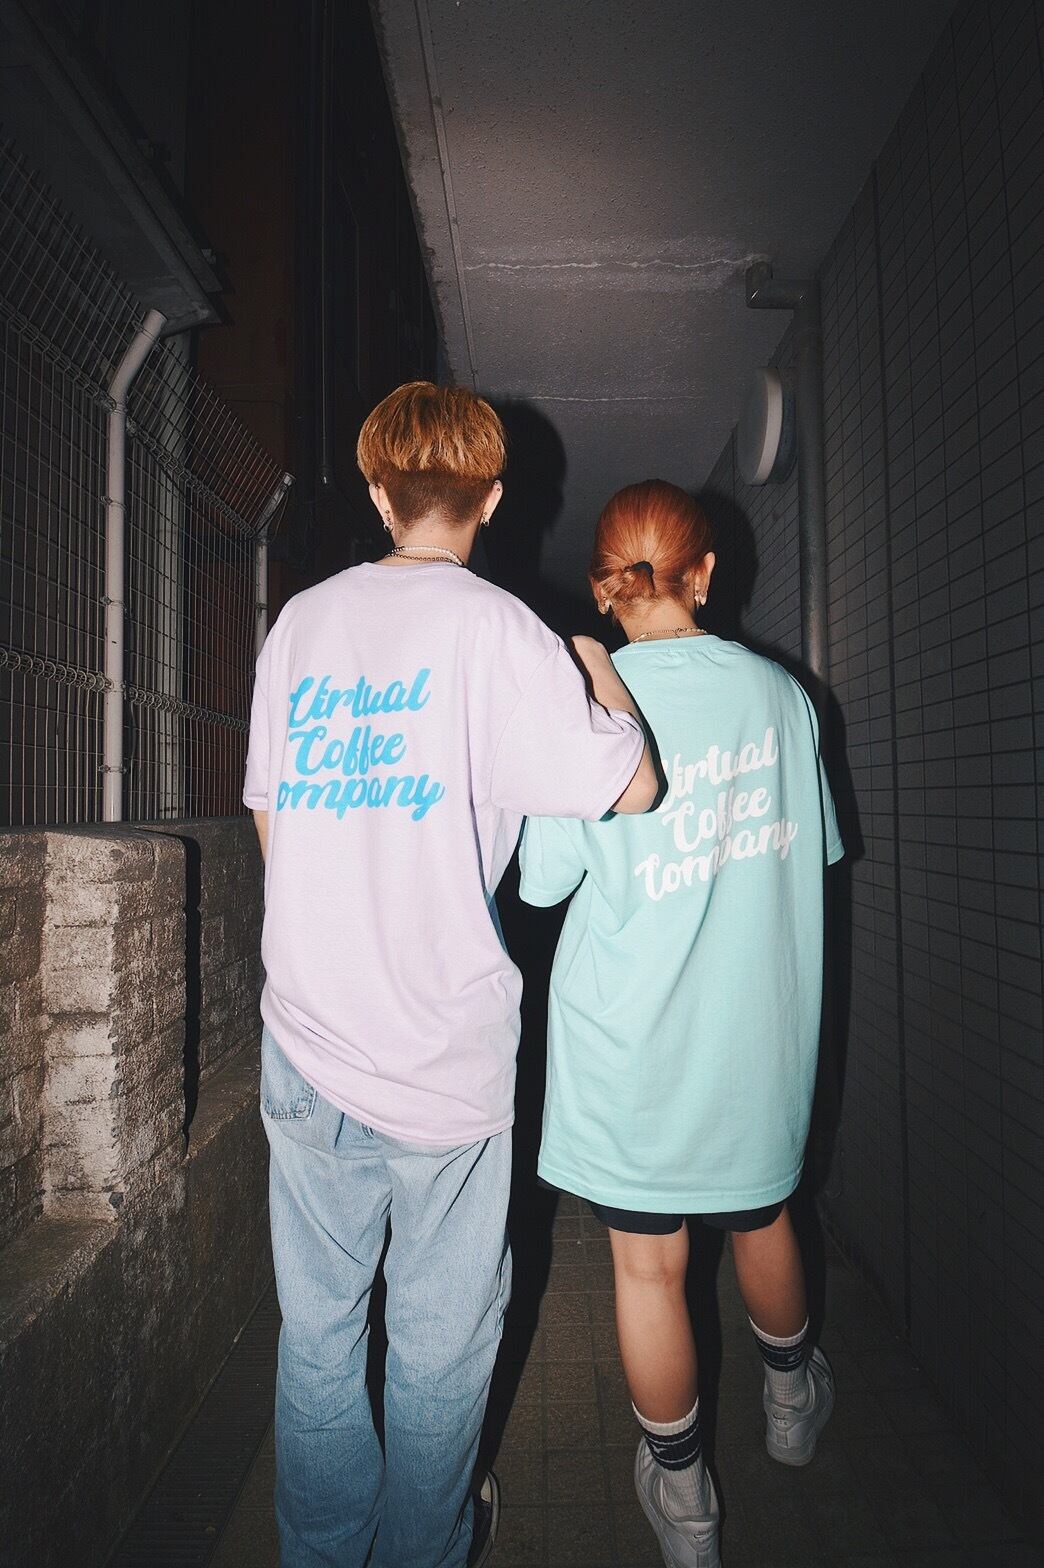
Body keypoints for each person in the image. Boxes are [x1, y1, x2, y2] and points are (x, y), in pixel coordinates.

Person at [243, 382, 657, 1568]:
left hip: (308, 1038)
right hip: (444, 1055)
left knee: (319, 1330)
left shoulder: (301, 625)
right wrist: (601, 672)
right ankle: (425, 1548)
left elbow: (272, 820)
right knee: (439, 1341)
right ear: (491, 497)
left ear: (379, 493)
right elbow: (632, 785)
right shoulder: (503, 634)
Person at [518, 480, 844, 1568]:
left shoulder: (587, 707)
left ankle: (687, 1499)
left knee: (649, 1270)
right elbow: (809, 852)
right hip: (753, 1040)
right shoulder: (785, 698)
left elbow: (543, 880)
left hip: (629, 1050)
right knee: (764, 1218)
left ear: (608, 590)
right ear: (703, 573)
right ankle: (790, 1402)